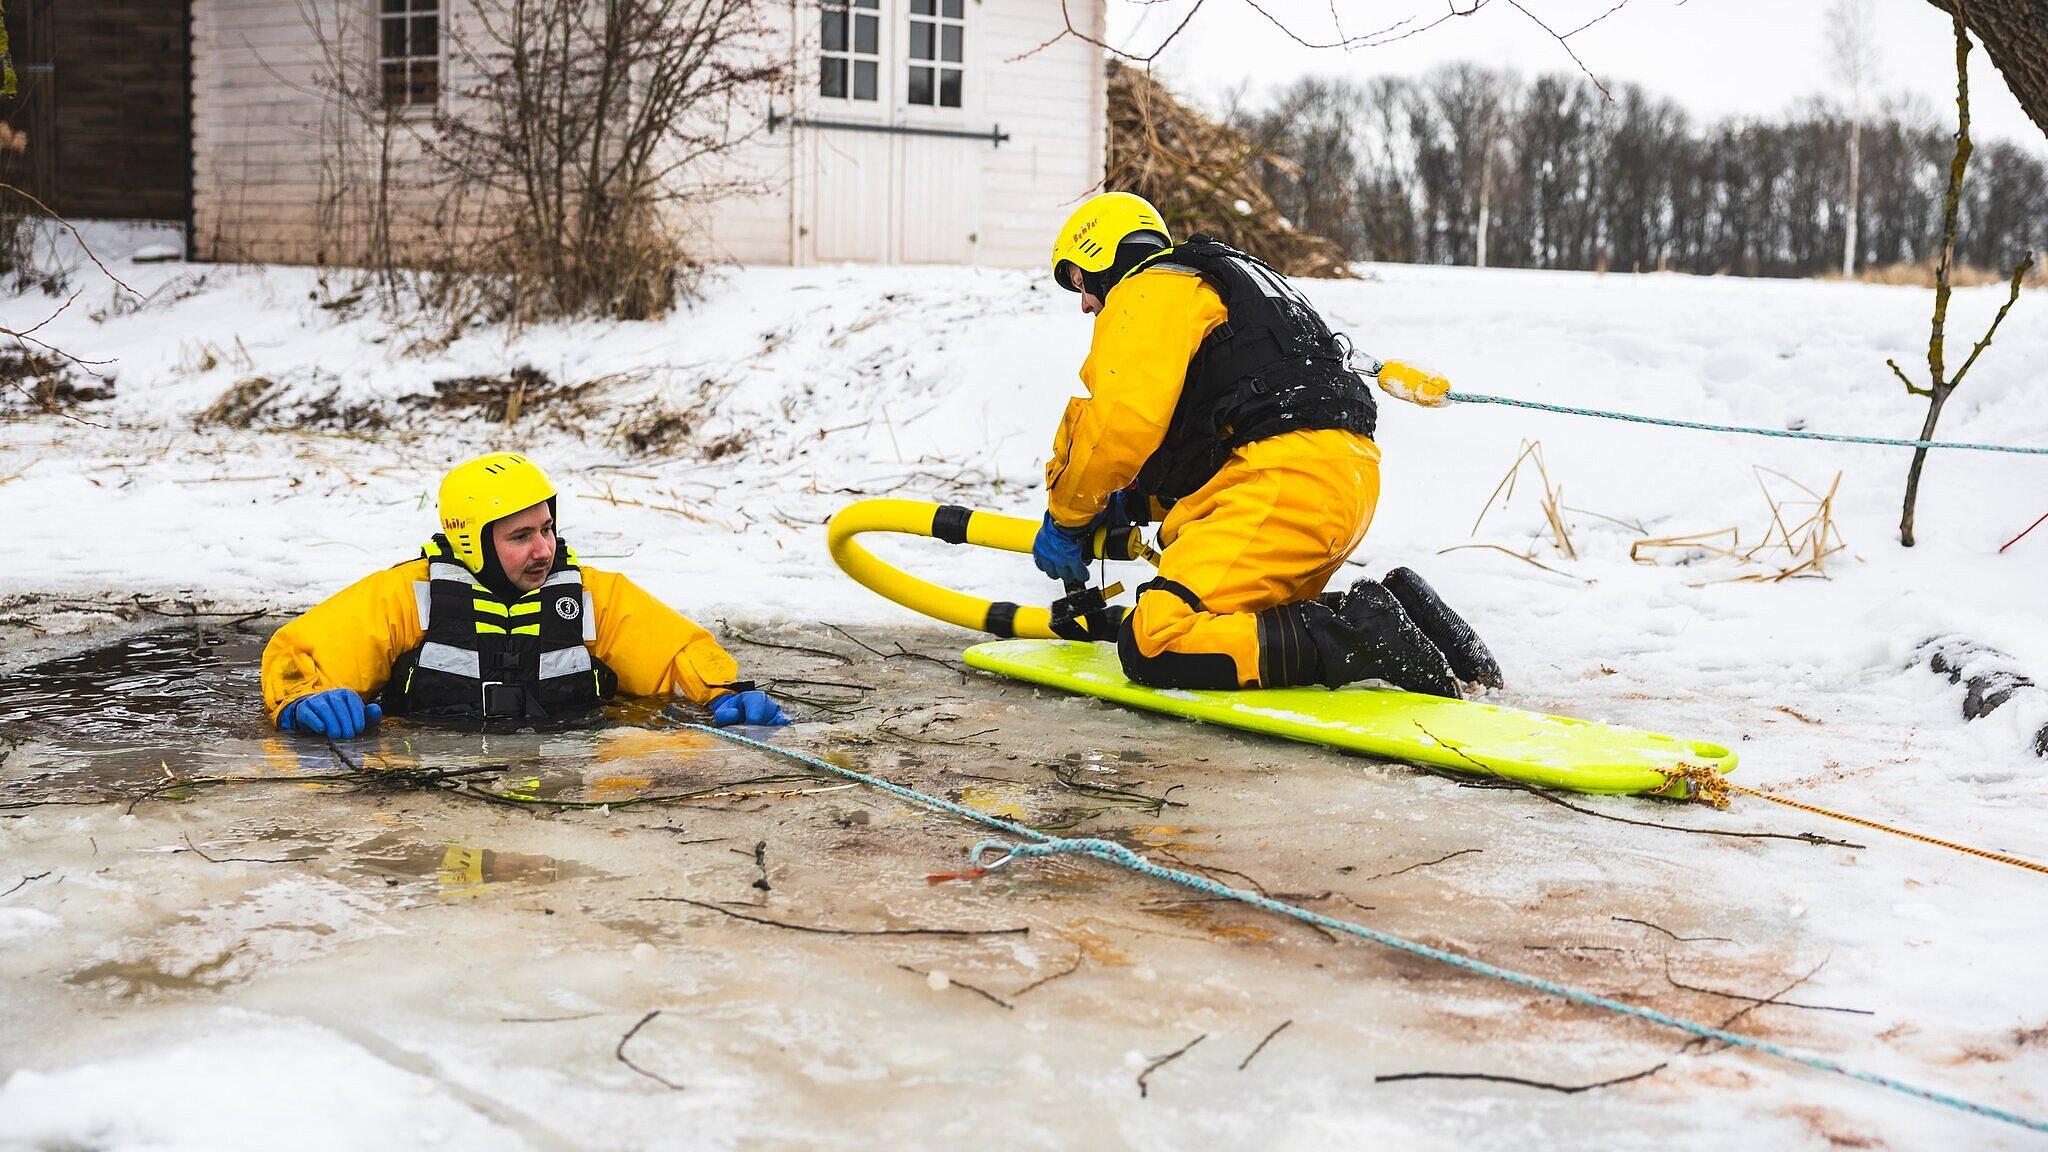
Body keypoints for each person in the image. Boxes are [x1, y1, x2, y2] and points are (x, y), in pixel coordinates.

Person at [1033, 191, 1500, 698]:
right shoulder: (1230, 284)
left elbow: (1115, 427)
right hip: (1340, 481)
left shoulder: (1149, 289)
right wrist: (1134, 500)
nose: (1084, 302)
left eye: (1080, 280)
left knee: (1154, 641)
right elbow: (1224, 435)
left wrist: (1069, 514)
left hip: (1281, 485)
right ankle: (1410, 618)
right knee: (1242, 620)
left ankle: (1364, 634)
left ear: (1105, 256)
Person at [261, 452, 788, 737]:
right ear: (472, 541)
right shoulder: (405, 595)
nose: (544, 549)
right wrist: (302, 699)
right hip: (436, 782)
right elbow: (299, 653)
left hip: (568, 772)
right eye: (521, 537)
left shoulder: (590, 596)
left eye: (548, 528)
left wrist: (723, 692)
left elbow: (676, 653)